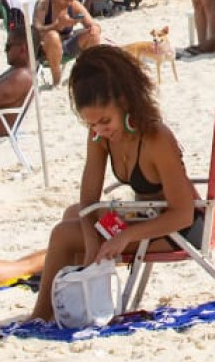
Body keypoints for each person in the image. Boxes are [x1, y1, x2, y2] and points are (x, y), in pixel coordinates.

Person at [30, 45, 203, 323]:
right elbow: (88, 201)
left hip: (179, 230)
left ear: (125, 101)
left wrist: (123, 237)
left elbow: (182, 213)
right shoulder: (100, 136)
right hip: (146, 215)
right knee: (74, 214)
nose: (99, 130)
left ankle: (41, 315)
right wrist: (90, 244)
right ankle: (78, 304)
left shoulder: (156, 137)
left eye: (104, 121)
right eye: (92, 124)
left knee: (63, 235)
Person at [32, 0, 101, 84]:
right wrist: (56, 26)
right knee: (53, 36)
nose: (69, 3)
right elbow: (36, 30)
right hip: (47, 48)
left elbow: (93, 24)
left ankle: (85, 74)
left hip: (67, 44)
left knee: (93, 35)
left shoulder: (74, 4)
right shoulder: (44, 4)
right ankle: (57, 79)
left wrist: (95, 28)